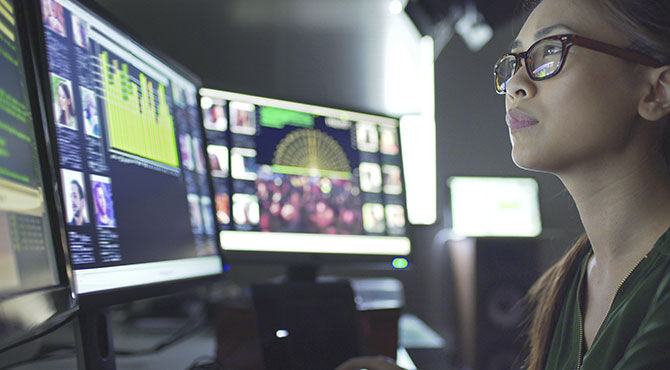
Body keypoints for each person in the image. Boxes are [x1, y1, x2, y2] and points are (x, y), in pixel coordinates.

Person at [337, 0, 670, 369]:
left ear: (656, 91)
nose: (515, 84)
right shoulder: (571, 279)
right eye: (514, 62)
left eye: (549, 52)